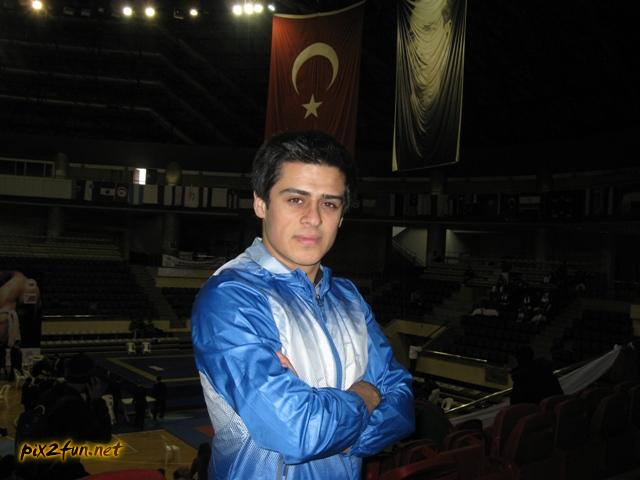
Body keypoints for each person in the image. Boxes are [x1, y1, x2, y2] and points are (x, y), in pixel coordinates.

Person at [191, 131, 414, 480]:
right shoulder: (229, 297)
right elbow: (298, 433)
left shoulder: (348, 298)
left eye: (329, 204)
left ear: (342, 216)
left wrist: (338, 434)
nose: (314, 218)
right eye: (296, 200)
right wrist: (366, 397)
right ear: (261, 203)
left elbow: (403, 405)